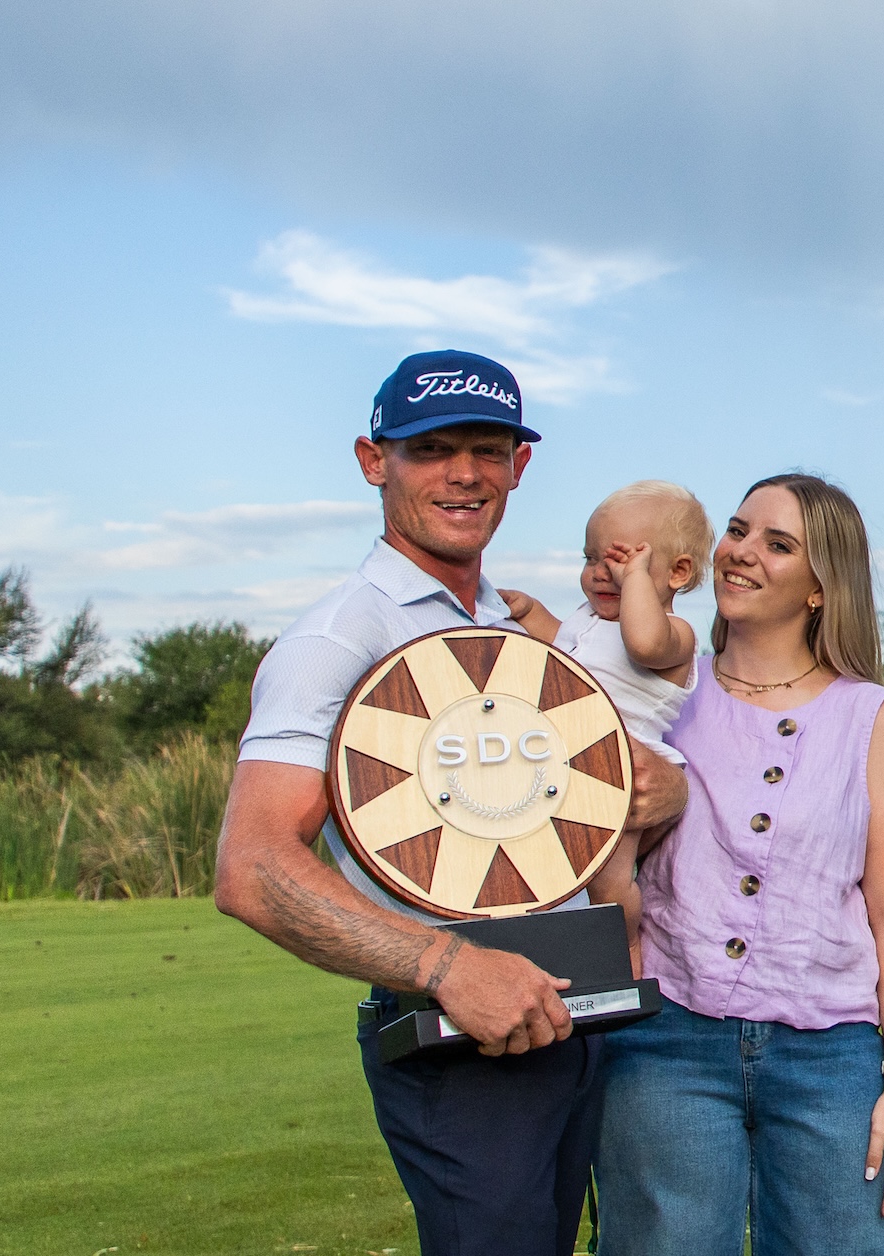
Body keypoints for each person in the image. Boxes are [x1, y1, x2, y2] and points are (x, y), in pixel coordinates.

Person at [213, 350, 689, 1256]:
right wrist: (446, 967)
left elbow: (579, 798)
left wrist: (665, 788)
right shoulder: (338, 638)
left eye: (487, 450)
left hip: (576, 1008)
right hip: (459, 1039)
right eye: (431, 449)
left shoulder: (512, 628)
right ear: (373, 461)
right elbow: (253, 867)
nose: (464, 474)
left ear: (520, 465)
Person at [597, 473, 884, 1255]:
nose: (742, 552)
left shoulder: (869, 716)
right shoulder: (657, 694)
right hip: (664, 1041)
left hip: (833, 1057)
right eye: (739, 530)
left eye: (778, 544)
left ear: (821, 588)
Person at [505, 479, 712, 971]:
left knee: (608, 883)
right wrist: (530, 612)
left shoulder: (673, 634)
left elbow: (641, 644)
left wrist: (635, 580)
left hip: (618, 773)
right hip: (557, 764)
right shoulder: (587, 620)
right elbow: (562, 648)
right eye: (590, 558)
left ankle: (627, 952)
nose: (600, 572)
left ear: (677, 572)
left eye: (619, 559)